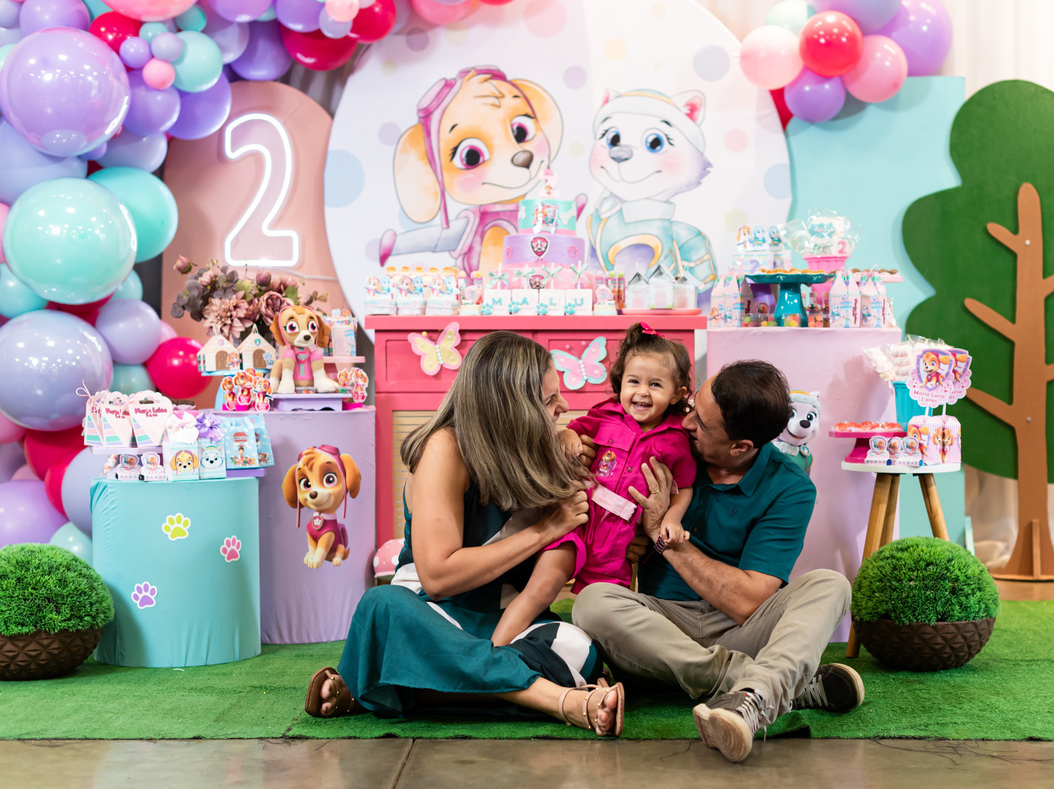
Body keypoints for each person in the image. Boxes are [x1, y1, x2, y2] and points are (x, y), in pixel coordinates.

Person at [304, 332, 625, 737]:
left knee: (580, 650)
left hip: (503, 621)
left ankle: (394, 687)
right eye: (548, 401)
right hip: (432, 615)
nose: (562, 407)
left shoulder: (536, 448)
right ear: (510, 409)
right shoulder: (445, 449)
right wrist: (545, 529)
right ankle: (560, 701)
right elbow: (438, 578)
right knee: (381, 607)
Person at [572, 360, 864, 763]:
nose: (686, 422)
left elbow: (747, 601)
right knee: (592, 603)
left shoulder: (790, 487)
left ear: (740, 446)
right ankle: (765, 687)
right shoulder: (662, 447)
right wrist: (577, 448)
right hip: (659, 633)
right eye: (692, 407)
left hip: (742, 629)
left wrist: (662, 537)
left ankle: (753, 693)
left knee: (831, 584)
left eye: (703, 424)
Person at [491, 322, 696, 647]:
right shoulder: (604, 415)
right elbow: (571, 430)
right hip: (576, 522)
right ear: (620, 382)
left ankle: (593, 660)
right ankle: (493, 651)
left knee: (603, 610)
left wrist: (671, 519)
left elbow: (684, 487)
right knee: (541, 588)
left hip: (619, 541)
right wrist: (567, 437)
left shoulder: (677, 440)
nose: (642, 392)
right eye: (633, 381)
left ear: (677, 394)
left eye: (656, 385)